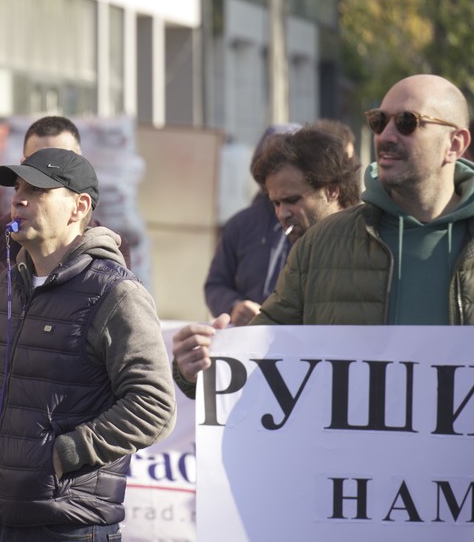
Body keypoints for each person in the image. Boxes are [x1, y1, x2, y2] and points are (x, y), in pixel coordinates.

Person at [0, 147, 177, 541]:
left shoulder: (116, 293)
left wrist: (66, 453)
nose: (18, 198)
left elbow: (155, 405)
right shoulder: (0, 291)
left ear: (79, 207)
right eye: (18, 188)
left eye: (38, 189)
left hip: (66, 526)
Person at [173, 73, 474, 397]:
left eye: (406, 122)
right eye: (378, 121)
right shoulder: (321, 244)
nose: (385, 135)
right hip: (350, 449)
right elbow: (256, 358)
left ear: (454, 144)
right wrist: (196, 367)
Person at [0, 116, 82, 391]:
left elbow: (89, 361)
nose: (20, 198)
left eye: (56, 167)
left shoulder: (106, 253)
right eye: (33, 170)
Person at [203, 123, 301, 325]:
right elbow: (215, 285)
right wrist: (234, 305)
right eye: (271, 164)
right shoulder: (239, 226)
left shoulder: (322, 226)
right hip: (246, 344)